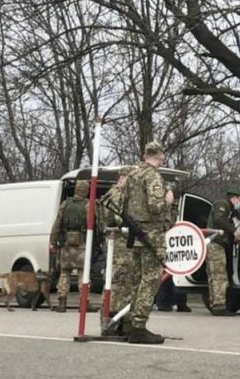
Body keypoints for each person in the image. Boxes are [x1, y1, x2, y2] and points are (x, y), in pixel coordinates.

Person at [123, 140, 174, 344]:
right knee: (150, 279)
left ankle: (130, 322)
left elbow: (124, 203)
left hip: (136, 234)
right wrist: (168, 200)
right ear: (159, 155)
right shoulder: (153, 176)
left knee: (137, 280)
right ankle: (139, 326)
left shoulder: (133, 175)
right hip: (151, 235)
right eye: (162, 157)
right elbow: (155, 206)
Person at [99, 166, 135, 332]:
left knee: (120, 282)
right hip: (120, 244)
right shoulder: (118, 194)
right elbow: (120, 219)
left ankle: (117, 320)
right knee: (119, 282)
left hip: (118, 243)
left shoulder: (113, 194)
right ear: (123, 178)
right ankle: (113, 320)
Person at [48, 179, 91, 313]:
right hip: (82, 241)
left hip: (66, 242)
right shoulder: (88, 204)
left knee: (64, 273)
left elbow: (57, 223)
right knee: (83, 273)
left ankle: (62, 302)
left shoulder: (65, 204)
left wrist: (53, 240)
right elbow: (93, 223)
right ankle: (84, 303)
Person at [204, 189, 240, 315]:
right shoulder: (222, 204)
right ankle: (219, 306)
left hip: (217, 243)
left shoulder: (231, 211)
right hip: (216, 243)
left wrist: (235, 238)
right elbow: (220, 220)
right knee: (219, 275)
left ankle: (215, 304)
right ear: (234, 198)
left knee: (215, 275)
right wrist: (234, 231)